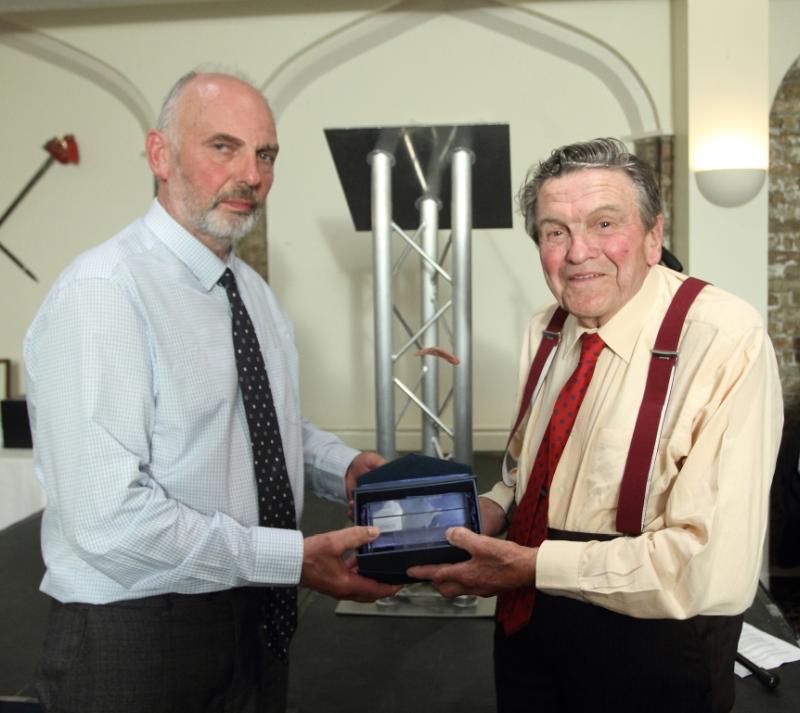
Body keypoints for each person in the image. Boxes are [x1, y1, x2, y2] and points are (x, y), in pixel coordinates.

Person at [25, 70, 399, 713]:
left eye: (266, 154)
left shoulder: (249, 290)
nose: (252, 175)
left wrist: (342, 469)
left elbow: (254, 422)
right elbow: (107, 522)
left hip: (249, 616)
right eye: (223, 147)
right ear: (160, 155)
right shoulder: (104, 293)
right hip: (137, 631)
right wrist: (290, 559)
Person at [409, 138, 783, 713]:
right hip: (526, 625)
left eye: (605, 223)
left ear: (654, 236)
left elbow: (707, 568)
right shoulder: (547, 328)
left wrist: (533, 565)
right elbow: (526, 468)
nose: (579, 251)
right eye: (555, 231)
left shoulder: (722, 336)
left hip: (653, 646)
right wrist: (492, 507)